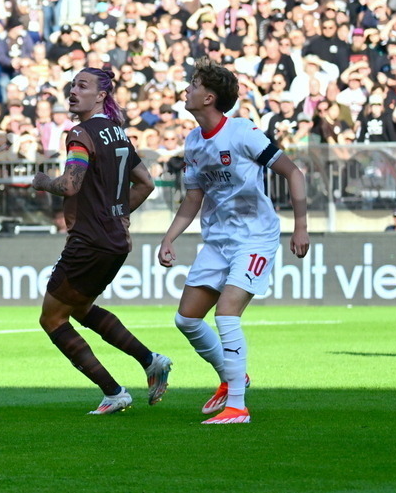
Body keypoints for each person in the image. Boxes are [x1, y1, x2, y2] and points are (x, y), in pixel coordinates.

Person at [158, 60, 310, 425]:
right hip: (217, 240)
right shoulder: (193, 141)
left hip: (255, 236)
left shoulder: (243, 132)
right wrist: (169, 238)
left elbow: (293, 171)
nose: (187, 88)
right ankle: (232, 376)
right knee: (187, 319)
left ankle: (238, 407)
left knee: (226, 313)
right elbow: (192, 199)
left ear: (209, 97)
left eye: (193, 84)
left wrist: (300, 225)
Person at [31, 67, 172, 414]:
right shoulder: (117, 133)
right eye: (73, 85)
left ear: (101, 96)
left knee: (52, 319)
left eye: (83, 86)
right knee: (80, 309)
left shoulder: (80, 134)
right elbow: (146, 184)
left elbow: (69, 185)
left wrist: (42, 181)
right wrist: (119, 214)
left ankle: (113, 392)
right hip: (116, 241)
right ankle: (151, 360)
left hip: (88, 242)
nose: (73, 91)